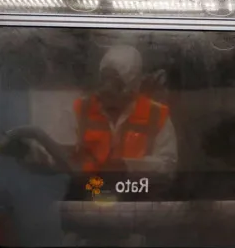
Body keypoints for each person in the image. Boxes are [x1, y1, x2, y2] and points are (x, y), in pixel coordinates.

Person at [18, 45, 178, 177]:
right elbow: (57, 156)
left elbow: (167, 165)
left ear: (132, 88)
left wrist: (128, 166)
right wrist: (29, 153)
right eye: (103, 80)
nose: (105, 89)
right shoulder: (79, 110)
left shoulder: (157, 115)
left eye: (116, 84)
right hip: (85, 198)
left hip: (138, 201)